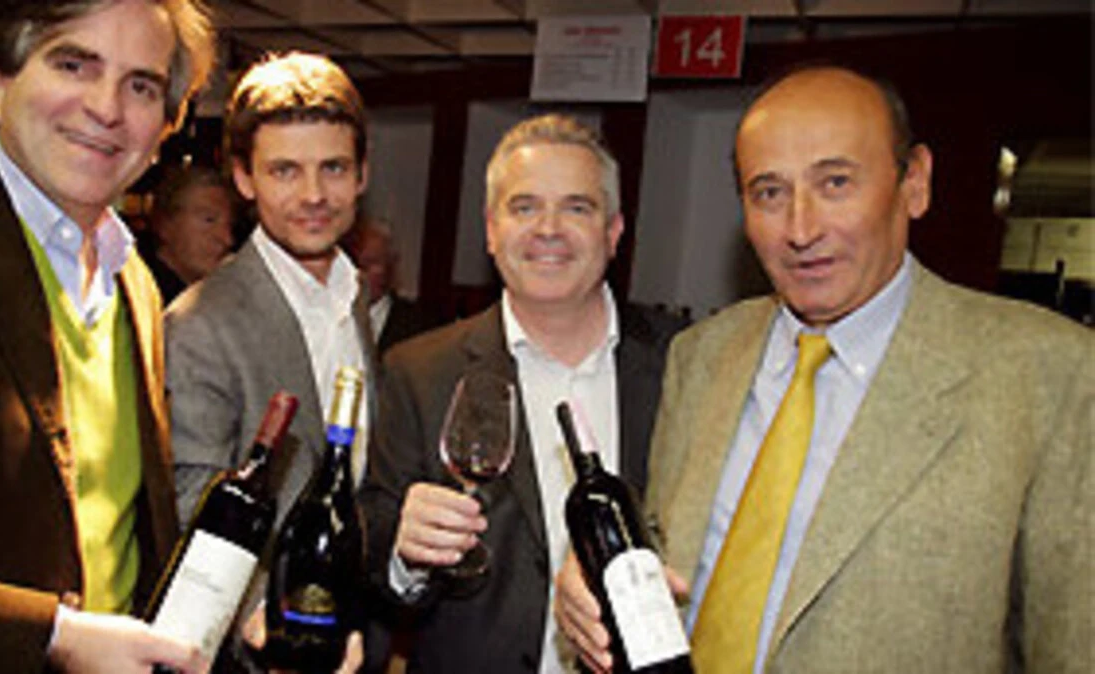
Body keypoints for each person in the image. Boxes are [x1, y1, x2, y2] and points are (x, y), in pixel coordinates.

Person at [555, 65, 1092, 674]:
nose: (801, 229)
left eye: (835, 182)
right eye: (769, 193)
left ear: (914, 183)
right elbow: (665, 544)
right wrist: (595, 581)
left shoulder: (1048, 374)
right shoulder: (702, 354)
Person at [0, 1, 216, 672]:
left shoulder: (135, 285)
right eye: (74, 64)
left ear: (165, 128)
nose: (106, 108)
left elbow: (126, 538)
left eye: (141, 86)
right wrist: (51, 635)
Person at [358, 114, 687, 673]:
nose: (548, 229)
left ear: (613, 232)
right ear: (491, 230)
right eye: (525, 207)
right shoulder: (418, 373)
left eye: (576, 208)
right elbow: (378, 566)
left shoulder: (681, 362)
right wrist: (404, 556)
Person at [163, 50, 376, 671]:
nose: (314, 195)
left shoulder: (356, 297)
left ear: (362, 174)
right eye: (285, 171)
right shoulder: (200, 324)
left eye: (333, 168)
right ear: (244, 179)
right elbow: (191, 507)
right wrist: (277, 623)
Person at [341, 214, 443, 355]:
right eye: (350, 264)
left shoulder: (423, 329)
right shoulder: (324, 319)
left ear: (390, 265)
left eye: (367, 265)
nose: (357, 275)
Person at [143, 164, 236, 304]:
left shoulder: (221, 297)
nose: (227, 239)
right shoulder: (141, 300)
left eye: (230, 224)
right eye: (209, 220)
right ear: (166, 223)